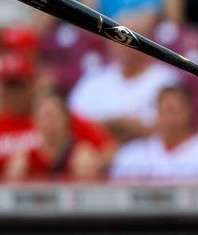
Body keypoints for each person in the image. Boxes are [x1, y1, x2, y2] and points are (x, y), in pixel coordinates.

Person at [0, 54, 105, 179]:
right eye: (8, 86)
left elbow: (108, 148)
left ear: (32, 85)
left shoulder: (54, 115)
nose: (13, 94)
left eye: (19, 86)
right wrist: (6, 180)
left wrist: (94, 161)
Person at [68, 13, 180, 142]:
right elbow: (72, 123)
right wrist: (121, 124)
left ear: (147, 43)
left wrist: (103, 125)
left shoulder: (165, 79)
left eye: (129, 39)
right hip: (96, 154)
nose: (124, 45)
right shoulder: (94, 79)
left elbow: (164, 126)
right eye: (117, 38)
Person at [109, 84, 198, 181]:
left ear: (188, 112)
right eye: (162, 110)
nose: (167, 117)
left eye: (172, 110)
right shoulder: (131, 155)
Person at [3, 88, 113, 181]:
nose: (49, 122)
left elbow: (110, 148)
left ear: (66, 119)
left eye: (53, 116)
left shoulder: (79, 153)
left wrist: (97, 164)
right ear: (35, 120)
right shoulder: (25, 158)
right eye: (44, 116)